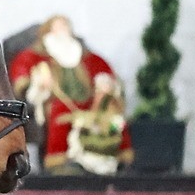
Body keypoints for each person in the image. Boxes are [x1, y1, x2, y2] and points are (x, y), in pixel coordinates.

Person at [9, 15, 134, 175]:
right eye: (58, 26)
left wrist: (105, 85)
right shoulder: (36, 55)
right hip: (57, 100)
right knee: (61, 113)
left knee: (112, 115)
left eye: (65, 26)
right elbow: (22, 73)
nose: (63, 30)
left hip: (89, 100)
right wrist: (38, 82)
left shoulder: (83, 54)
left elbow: (101, 69)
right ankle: (59, 162)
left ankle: (117, 158)